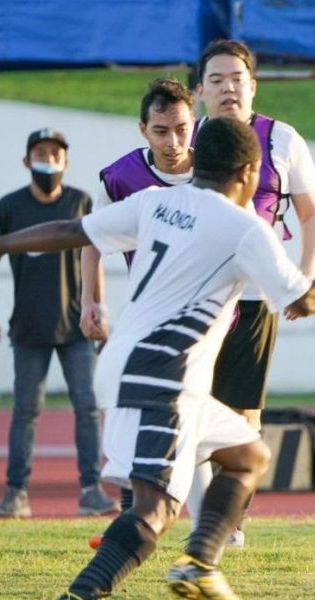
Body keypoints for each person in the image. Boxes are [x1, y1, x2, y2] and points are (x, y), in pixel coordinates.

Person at [0, 118, 315, 600]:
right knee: (156, 507)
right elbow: (305, 300)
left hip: (142, 367)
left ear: (198, 161)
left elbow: (74, 231)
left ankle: (201, 564)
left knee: (248, 455)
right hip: (163, 375)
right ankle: (82, 599)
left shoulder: (156, 200)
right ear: (249, 172)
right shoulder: (245, 226)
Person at [191, 39, 315, 547]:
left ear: (254, 85)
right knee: (189, 402)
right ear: (200, 90)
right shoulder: (187, 139)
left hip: (251, 298)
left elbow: (312, 215)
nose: (228, 89)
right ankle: (197, 518)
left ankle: (231, 522)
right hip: (197, 297)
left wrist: (305, 280)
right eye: (217, 80)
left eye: (237, 79)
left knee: (242, 413)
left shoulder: (282, 139)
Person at [0, 128, 118, 519]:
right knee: (26, 409)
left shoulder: (81, 202)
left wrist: (100, 311)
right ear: (27, 161)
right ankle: (16, 492)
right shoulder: (8, 207)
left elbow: (97, 255)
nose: (49, 161)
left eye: (55, 154)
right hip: (28, 326)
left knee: (88, 406)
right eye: (40, 154)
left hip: (75, 325)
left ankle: (91, 488)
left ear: (67, 161)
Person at [79, 76, 196, 516]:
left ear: (194, 124)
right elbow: (91, 238)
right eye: (161, 131)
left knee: (215, 425)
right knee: (133, 412)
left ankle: (220, 525)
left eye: (182, 129)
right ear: (142, 129)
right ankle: (135, 515)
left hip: (214, 317)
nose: (173, 141)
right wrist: (92, 301)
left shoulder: (216, 170)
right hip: (149, 315)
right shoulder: (121, 178)